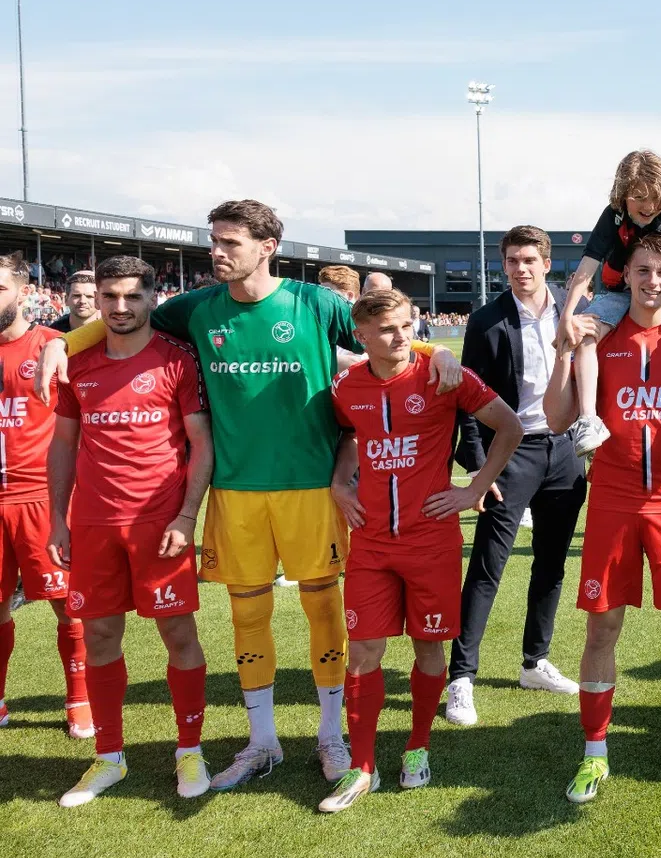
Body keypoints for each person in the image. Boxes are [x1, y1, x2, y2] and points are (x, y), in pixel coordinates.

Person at [35, 199, 461, 789]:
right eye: (215, 240)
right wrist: (63, 343)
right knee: (248, 614)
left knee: (322, 607)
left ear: (266, 248)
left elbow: (380, 336)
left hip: (310, 487)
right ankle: (262, 742)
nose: (217, 252)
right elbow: (123, 319)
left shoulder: (314, 303)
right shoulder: (196, 308)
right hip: (234, 490)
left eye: (229, 243)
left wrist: (431, 349)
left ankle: (331, 736)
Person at [545, 232, 661, 801]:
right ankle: (595, 750)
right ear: (624, 275)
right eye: (643, 270)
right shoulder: (599, 335)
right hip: (612, 499)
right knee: (603, 624)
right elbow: (557, 418)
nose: (654, 281)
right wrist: (562, 350)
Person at [322, 288, 522, 812]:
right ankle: (362, 767)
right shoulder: (346, 386)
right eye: (386, 329)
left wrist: (474, 489)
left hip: (431, 540)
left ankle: (417, 745)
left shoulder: (441, 374)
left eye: (406, 325)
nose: (401, 336)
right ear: (361, 336)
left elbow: (510, 426)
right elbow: (347, 436)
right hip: (369, 543)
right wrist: (341, 483)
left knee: (429, 649)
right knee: (363, 651)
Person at [47, 255, 212, 806]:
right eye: (110, 297)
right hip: (93, 525)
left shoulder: (176, 360)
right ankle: (109, 757)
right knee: (97, 637)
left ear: (151, 298)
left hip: (160, 524)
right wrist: (57, 519)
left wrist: (186, 517)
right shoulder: (79, 363)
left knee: (179, 636)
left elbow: (202, 446)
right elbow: (64, 445)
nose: (120, 307)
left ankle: (189, 750)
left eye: (132, 296)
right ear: (97, 301)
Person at [448, 226, 590, 723]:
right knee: (488, 564)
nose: (520, 268)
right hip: (512, 453)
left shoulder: (572, 315)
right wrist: (478, 469)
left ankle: (535, 661)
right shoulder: (487, 321)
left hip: (564, 450)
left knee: (551, 563)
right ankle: (461, 676)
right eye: (511, 261)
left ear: (547, 263)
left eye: (529, 259)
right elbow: (466, 402)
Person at [558, 149, 661, 463]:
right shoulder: (612, 214)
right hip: (619, 291)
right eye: (639, 198)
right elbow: (587, 266)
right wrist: (568, 316)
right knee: (586, 333)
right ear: (623, 195)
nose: (648, 207)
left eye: (654, 200)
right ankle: (588, 420)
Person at [0, 252, 91, 739]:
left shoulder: (55, 344)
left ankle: (79, 697)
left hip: (39, 497)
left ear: (22, 291)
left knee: (67, 604)